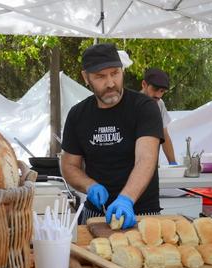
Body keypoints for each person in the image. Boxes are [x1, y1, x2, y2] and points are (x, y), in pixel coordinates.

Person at [61, 43, 164, 229]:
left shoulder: (144, 107)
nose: (110, 83)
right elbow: (69, 165)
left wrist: (126, 199)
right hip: (95, 214)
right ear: (86, 77)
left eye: (115, 73)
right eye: (100, 76)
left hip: (141, 212)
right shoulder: (77, 115)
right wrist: (89, 185)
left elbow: (146, 158)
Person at [140, 68, 177, 165]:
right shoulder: (131, 104)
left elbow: (164, 135)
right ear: (144, 84)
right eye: (155, 89)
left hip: (153, 167)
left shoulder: (160, 104)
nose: (158, 95)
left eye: (162, 91)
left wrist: (173, 164)